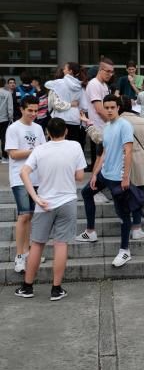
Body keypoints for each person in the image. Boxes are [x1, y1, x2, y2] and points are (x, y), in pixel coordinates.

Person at [15, 117, 87, 300]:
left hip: (44, 202)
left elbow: (23, 172)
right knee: (61, 244)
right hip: (67, 201)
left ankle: (27, 286)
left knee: (37, 244)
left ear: (47, 133)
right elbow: (80, 176)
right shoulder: (75, 146)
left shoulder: (39, 150)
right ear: (66, 131)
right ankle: (56, 288)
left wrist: (35, 197)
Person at [75, 94, 136, 268]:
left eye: (112, 107)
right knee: (87, 192)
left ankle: (125, 251)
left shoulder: (125, 125)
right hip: (105, 174)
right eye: (106, 107)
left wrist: (126, 177)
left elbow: (128, 152)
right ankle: (90, 231)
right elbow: (104, 153)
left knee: (123, 214)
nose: (109, 110)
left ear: (118, 107)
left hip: (118, 178)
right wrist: (95, 174)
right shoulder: (108, 126)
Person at [5, 95, 46, 272]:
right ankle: (19, 256)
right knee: (23, 215)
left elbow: (43, 151)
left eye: (36, 111)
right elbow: (13, 154)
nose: (33, 114)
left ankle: (28, 252)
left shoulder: (38, 128)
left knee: (30, 216)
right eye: (30, 110)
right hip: (19, 177)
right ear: (21, 109)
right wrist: (34, 151)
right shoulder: (13, 128)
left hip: (36, 178)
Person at [120, 94, 144, 194]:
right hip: (141, 161)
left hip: (121, 163)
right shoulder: (142, 121)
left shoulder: (116, 122)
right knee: (139, 195)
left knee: (123, 196)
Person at [45, 62, 88, 144]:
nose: (63, 70)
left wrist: (67, 102)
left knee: (57, 145)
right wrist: (73, 105)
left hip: (59, 118)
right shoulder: (80, 85)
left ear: (70, 71)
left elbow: (47, 84)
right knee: (72, 146)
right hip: (75, 119)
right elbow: (84, 106)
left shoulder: (59, 83)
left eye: (65, 68)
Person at [85, 58, 114, 174]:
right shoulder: (94, 84)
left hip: (104, 127)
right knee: (99, 160)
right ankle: (94, 185)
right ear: (100, 70)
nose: (110, 74)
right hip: (98, 128)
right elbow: (99, 109)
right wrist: (113, 122)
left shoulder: (104, 86)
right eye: (107, 71)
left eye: (112, 72)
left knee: (103, 160)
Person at [0, 77, 13, 162]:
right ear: (4, 84)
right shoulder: (8, 93)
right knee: (4, 138)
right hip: (4, 119)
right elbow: (10, 108)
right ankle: (4, 157)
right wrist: (10, 118)